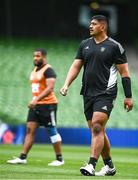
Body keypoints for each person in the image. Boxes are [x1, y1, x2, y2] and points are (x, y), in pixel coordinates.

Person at [60, 15, 133, 176]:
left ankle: (91, 165)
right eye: (90, 23)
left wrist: (128, 96)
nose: (90, 26)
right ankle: (109, 166)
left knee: (97, 126)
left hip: (106, 93)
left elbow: (125, 73)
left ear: (103, 27)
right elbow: (76, 66)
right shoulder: (84, 44)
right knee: (97, 130)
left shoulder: (115, 47)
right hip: (87, 93)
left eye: (93, 24)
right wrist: (66, 84)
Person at [7, 48, 64, 166]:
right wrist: (35, 100)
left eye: (38, 56)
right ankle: (22, 157)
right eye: (34, 56)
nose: (35, 58)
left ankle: (59, 159)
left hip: (48, 105)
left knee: (51, 130)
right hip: (36, 105)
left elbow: (50, 88)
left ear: (44, 57)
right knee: (29, 130)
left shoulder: (49, 70)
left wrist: (36, 99)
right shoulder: (34, 70)